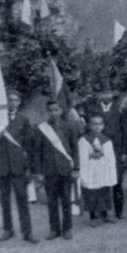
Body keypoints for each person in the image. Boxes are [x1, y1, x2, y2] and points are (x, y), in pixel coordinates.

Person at [0, 90, 39, 244]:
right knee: (4, 199)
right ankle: (7, 229)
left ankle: (27, 232)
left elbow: (29, 145)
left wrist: (29, 167)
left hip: (18, 167)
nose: (12, 103)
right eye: (10, 100)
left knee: (22, 199)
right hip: (2, 167)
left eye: (16, 100)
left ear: (19, 102)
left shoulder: (23, 120)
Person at [34, 100, 79, 240]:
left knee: (66, 200)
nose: (53, 113)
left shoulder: (69, 127)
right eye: (50, 110)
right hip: (49, 171)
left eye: (56, 109)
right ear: (47, 112)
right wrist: (39, 172)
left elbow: (75, 150)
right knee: (52, 201)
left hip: (65, 170)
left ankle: (67, 228)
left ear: (60, 110)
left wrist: (76, 168)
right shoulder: (42, 129)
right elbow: (37, 151)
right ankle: (54, 229)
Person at [86, 86, 127, 219]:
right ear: (98, 95)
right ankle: (102, 212)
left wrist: (124, 151)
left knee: (117, 181)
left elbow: (125, 132)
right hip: (98, 149)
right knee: (99, 180)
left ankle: (118, 212)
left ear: (113, 94)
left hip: (116, 151)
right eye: (103, 93)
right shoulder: (93, 109)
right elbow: (88, 131)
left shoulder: (120, 109)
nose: (106, 96)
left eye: (108, 93)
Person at [78, 114, 118, 227]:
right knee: (91, 191)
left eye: (99, 124)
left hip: (102, 168)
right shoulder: (84, 140)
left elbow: (110, 157)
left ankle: (104, 213)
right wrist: (90, 155)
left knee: (104, 190)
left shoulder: (107, 140)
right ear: (89, 126)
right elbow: (81, 156)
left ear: (103, 126)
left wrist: (104, 159)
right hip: (90, 169)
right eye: (94, 124)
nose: (97, 127)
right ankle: (93, 216)